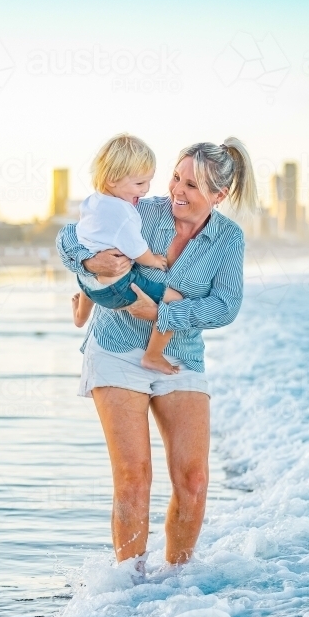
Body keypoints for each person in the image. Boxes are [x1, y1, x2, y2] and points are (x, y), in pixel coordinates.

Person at [56, 137, 255, 571]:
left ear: (218, 196)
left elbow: (226, 305)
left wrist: (165, 312)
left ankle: (177, 581)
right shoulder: (140, 209)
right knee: (133, 477)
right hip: (115, 349)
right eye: (177, 178)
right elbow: (69, 238)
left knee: (194, 479)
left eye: (193, 186)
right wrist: (90, 266)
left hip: (180, 354)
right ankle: (129, 589)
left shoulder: (228, 239)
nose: (177, 192)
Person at [70, 134, 185, 374]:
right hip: (115, 289)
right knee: (175, 302)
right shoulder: (124, 212)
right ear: (113, 180)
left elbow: (79, 234)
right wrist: (153, 259)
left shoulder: (91, 202)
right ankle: (153, 356)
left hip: (87, 282)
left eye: (148, 182)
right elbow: (136, 248)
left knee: (94, 264)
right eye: (140, 184)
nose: (145, 191)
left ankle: (81, 316)